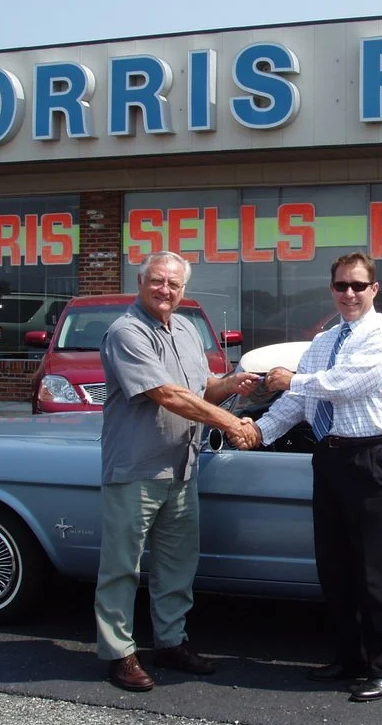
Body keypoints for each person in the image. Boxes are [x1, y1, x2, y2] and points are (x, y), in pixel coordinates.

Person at [95, 250, 260, 692]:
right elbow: (167, 395)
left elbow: (201, 388)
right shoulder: (126, 333)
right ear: (141, 281)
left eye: (174, 284)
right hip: (136, 469)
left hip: (183, 468)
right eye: (158, 281)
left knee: (176, 565)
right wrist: (231, 422)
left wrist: (233, 386)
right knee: (121, 567)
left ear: (183, 290)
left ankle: (170, 642)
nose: (165, 290)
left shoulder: (185, 328)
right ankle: (119, 653)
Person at [249, 252, 382, 702]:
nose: (350, 294)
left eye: (359, 286)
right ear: (332, 290)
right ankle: (349, 659)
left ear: (374, 289)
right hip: (332, 458)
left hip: (374, 458)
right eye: (342, 286)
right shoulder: (324, 341)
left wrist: (292, 379)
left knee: (377, 570)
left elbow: (342, 384)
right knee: (335, 566)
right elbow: (298, 405)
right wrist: (257, 431)